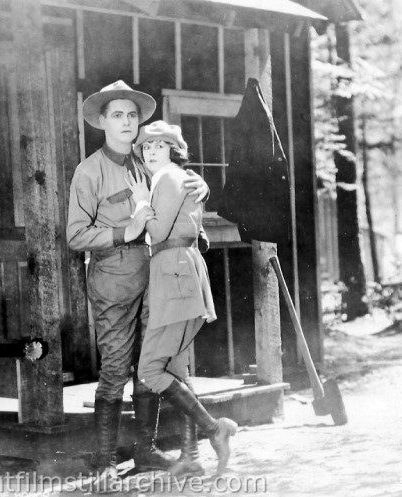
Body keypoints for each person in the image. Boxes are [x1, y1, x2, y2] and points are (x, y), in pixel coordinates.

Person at [66, 81, 209, 482]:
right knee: (114, 368)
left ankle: (145, 452)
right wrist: (122, 233)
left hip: (158, 278)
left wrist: (201, 185)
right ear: (101, 122)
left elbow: (175, 194)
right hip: (113, 278)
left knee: (156, 363)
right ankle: (107, 461)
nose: (127, 122)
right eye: (117, 115)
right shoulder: (89, 171)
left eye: (132, 115)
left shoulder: (148, 163)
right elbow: (75, 236)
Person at [129, 120, 238, 477]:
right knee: (175, 368)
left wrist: (142, 208)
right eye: (146, 147)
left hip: (173, 271)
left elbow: (157, 230)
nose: (151, 152)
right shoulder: (175, 179)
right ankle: (191, 456)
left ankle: (214, 429)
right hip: (174, 270)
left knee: (148, 370)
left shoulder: (169, 178)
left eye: (159, 146)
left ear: (173, 150)